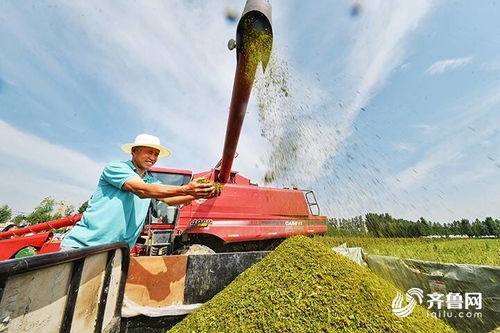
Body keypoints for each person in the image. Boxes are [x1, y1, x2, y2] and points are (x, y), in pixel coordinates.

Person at [61, 134, 216, 249]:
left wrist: (197, 194)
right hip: (84, 246)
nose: (153, 157)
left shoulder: (150, 180)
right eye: (149, 152)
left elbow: (170, 199)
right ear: (134, 151)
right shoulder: (117, 167)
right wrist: (186, 188)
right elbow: (141, 190)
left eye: (156, 154)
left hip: (117, 250)